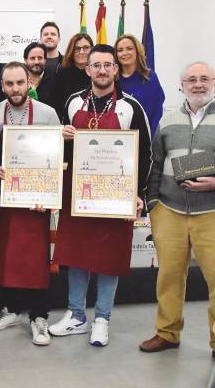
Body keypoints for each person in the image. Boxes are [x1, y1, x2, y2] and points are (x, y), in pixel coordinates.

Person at [50, 44, 151, 347]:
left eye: (108, 65)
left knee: (109, 258)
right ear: (88, 69)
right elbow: (59, 150)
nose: (103, 70)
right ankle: (77, 315)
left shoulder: (130, 107)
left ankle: (103, 318)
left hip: (115, 195)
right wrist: (61, 137)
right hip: (79, 194)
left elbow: (144, 153)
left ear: (116, 70)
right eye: (97, 65)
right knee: (77, 254)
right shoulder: (72, 102)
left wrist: (138, 194)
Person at [139, 62, 215, 355]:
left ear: (212, 82)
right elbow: (156, 164)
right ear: (180, 85)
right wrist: (154, 204)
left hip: (210, 212)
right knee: (169, 276)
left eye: (203, 79)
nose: (197, 84)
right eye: (191, 80)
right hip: (169, 211)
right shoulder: (168, 120)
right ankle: (167, 332)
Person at [0, 62, 61, 346]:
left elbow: (56, 157)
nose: (15, 89)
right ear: (2, 85)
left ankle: (39, 316)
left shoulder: (47, 113)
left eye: (20, 83)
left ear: (29, 81)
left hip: (35, 199)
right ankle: (12, 309)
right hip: (3, 198)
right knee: (4, 253)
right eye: (9, 84)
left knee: (35, 257)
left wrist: (50, 195)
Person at [115, 34, 165, 137]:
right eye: (120, 50)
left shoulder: (150, 77)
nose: (125, 53)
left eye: (129, 49)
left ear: (137, 51)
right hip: (118, 140)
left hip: (146, 137)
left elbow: (157, 112)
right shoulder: (112, 79)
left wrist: (150, 140)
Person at [51, 34, 94, 122]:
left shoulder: (97, 73)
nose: (81, 52)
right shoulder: (62, 74)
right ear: (71, 51)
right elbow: (57, 106)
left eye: (86, 47)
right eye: (77, 48)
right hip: (69, 126)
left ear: (92, 49)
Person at [24, 42, 55, 111]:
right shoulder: (19, 81)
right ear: (25, 60)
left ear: (45, 60)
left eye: (40, 58)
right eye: (32, 58)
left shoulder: (55, 80)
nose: (36, 62)